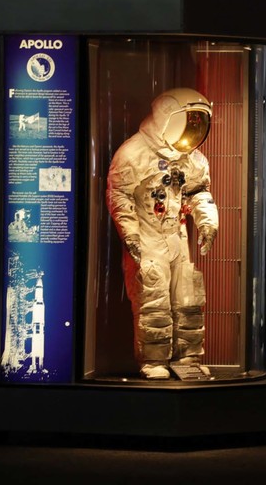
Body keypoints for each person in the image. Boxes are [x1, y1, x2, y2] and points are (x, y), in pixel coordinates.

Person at [106, 88, 219, 380]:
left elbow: (198, 191)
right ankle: (153, 360)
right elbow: (120, 197)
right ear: (165, 118)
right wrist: (130, 236)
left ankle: (188, 358)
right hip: (147, 238)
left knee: (188, 299)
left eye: (198, 124)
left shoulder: (192, 158)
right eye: (188, 122)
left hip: (176, 235)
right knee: (152, 300)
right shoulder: (133, 153)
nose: (192, 132)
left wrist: (207, 223)